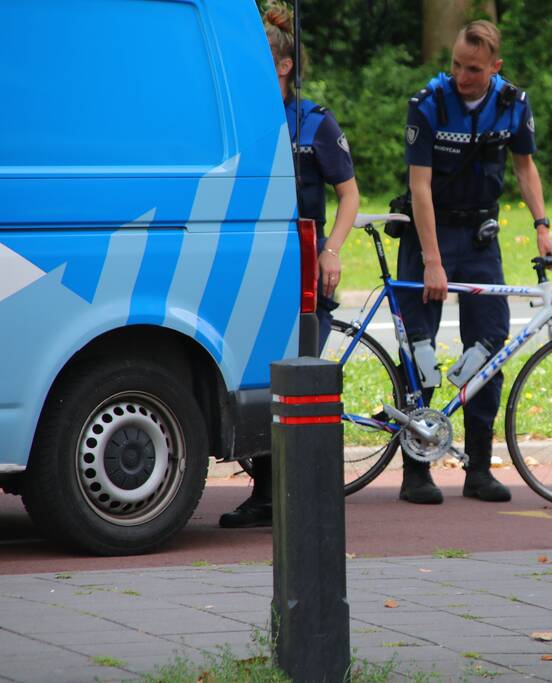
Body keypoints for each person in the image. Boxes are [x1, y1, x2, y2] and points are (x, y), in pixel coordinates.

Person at [397, 20, 552, 505]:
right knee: (419, 353)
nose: (462, 77)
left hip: (480, 236)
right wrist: (432, 261)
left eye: (473, 70)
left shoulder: (513, 103)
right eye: (456, 66)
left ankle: (479, 470)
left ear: (495, 67)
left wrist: (543, 226)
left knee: (488, 349)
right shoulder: (428, 103)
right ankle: (416, 471)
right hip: (429, 234)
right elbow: (420, 186)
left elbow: (525, 167)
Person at [220, 3, 360, 528]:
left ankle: (293, 496)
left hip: (302, 262)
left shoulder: (314, 122)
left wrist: (332, 250)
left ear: (283, 66)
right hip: (253, 260)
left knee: (298, 377)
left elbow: (349, 195)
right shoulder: (241, 120)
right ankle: (267, 495)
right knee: (258, 375)